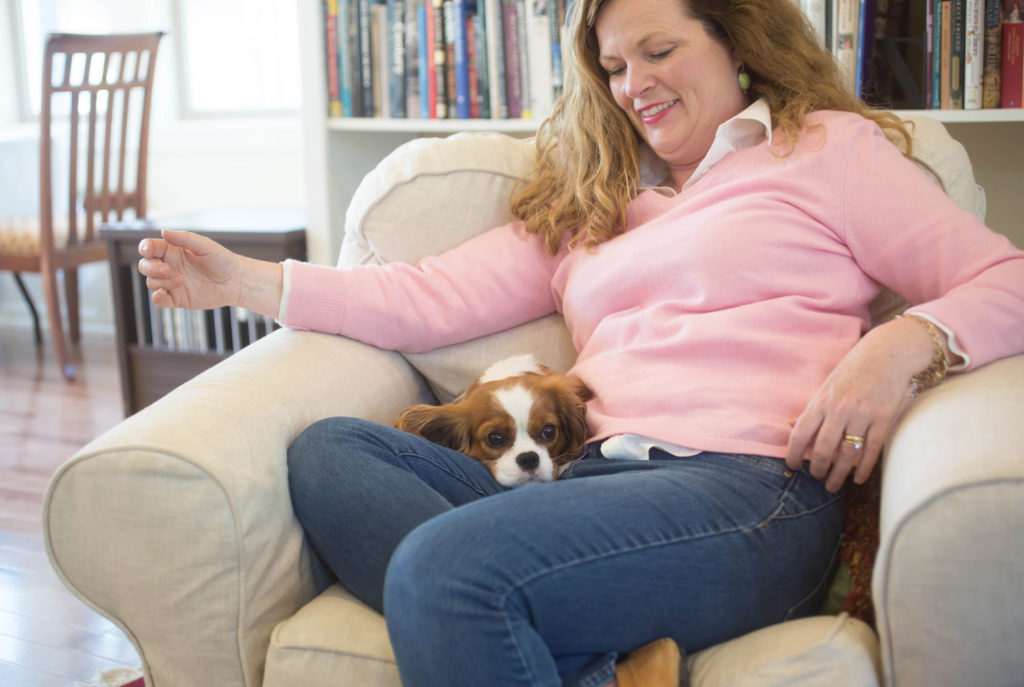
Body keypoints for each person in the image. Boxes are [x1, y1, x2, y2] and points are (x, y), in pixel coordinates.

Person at [137, 0, 1024, 684]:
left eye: (660, 50)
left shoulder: (827, 151)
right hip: (587, 476)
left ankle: (471, 591)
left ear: (739, 40)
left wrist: (904, 341)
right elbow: (423, 297)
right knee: (333, 452)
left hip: (749, 488)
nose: (633, 81)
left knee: (443, 571)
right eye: (612, 64)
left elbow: (1007, 278)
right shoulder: (588, 197)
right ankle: (604, 667)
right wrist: (248, 282)